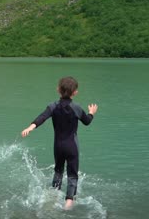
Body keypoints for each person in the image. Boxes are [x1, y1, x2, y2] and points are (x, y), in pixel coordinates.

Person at [20, 76, 98, 210]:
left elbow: (42, 117)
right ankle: (68, 204)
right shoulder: (76, 108)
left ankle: (54, 197)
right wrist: (91, 113)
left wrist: (30, 127)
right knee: (72, 175)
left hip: (58, 147)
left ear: (58, 90)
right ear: (75, 92)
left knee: (58, 171)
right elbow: (87, 121)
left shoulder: (52, 106)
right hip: (72, 146)